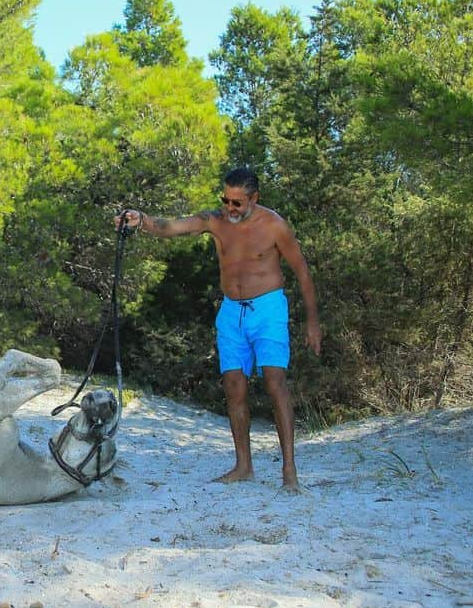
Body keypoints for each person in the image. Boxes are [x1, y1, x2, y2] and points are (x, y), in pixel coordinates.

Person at [117, 167, 321, 492]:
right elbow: (174, 227)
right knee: (233, 386)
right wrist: (141, 219)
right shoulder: (215, 220)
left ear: (254, 198)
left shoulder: (275, 226)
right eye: (225, 200)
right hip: (231, 312)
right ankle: (243, 466)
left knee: (275, 382)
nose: (230, 208)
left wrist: (313, 323)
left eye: (237, 203)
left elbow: (302, 272)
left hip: (268, 309)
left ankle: (289, 470)